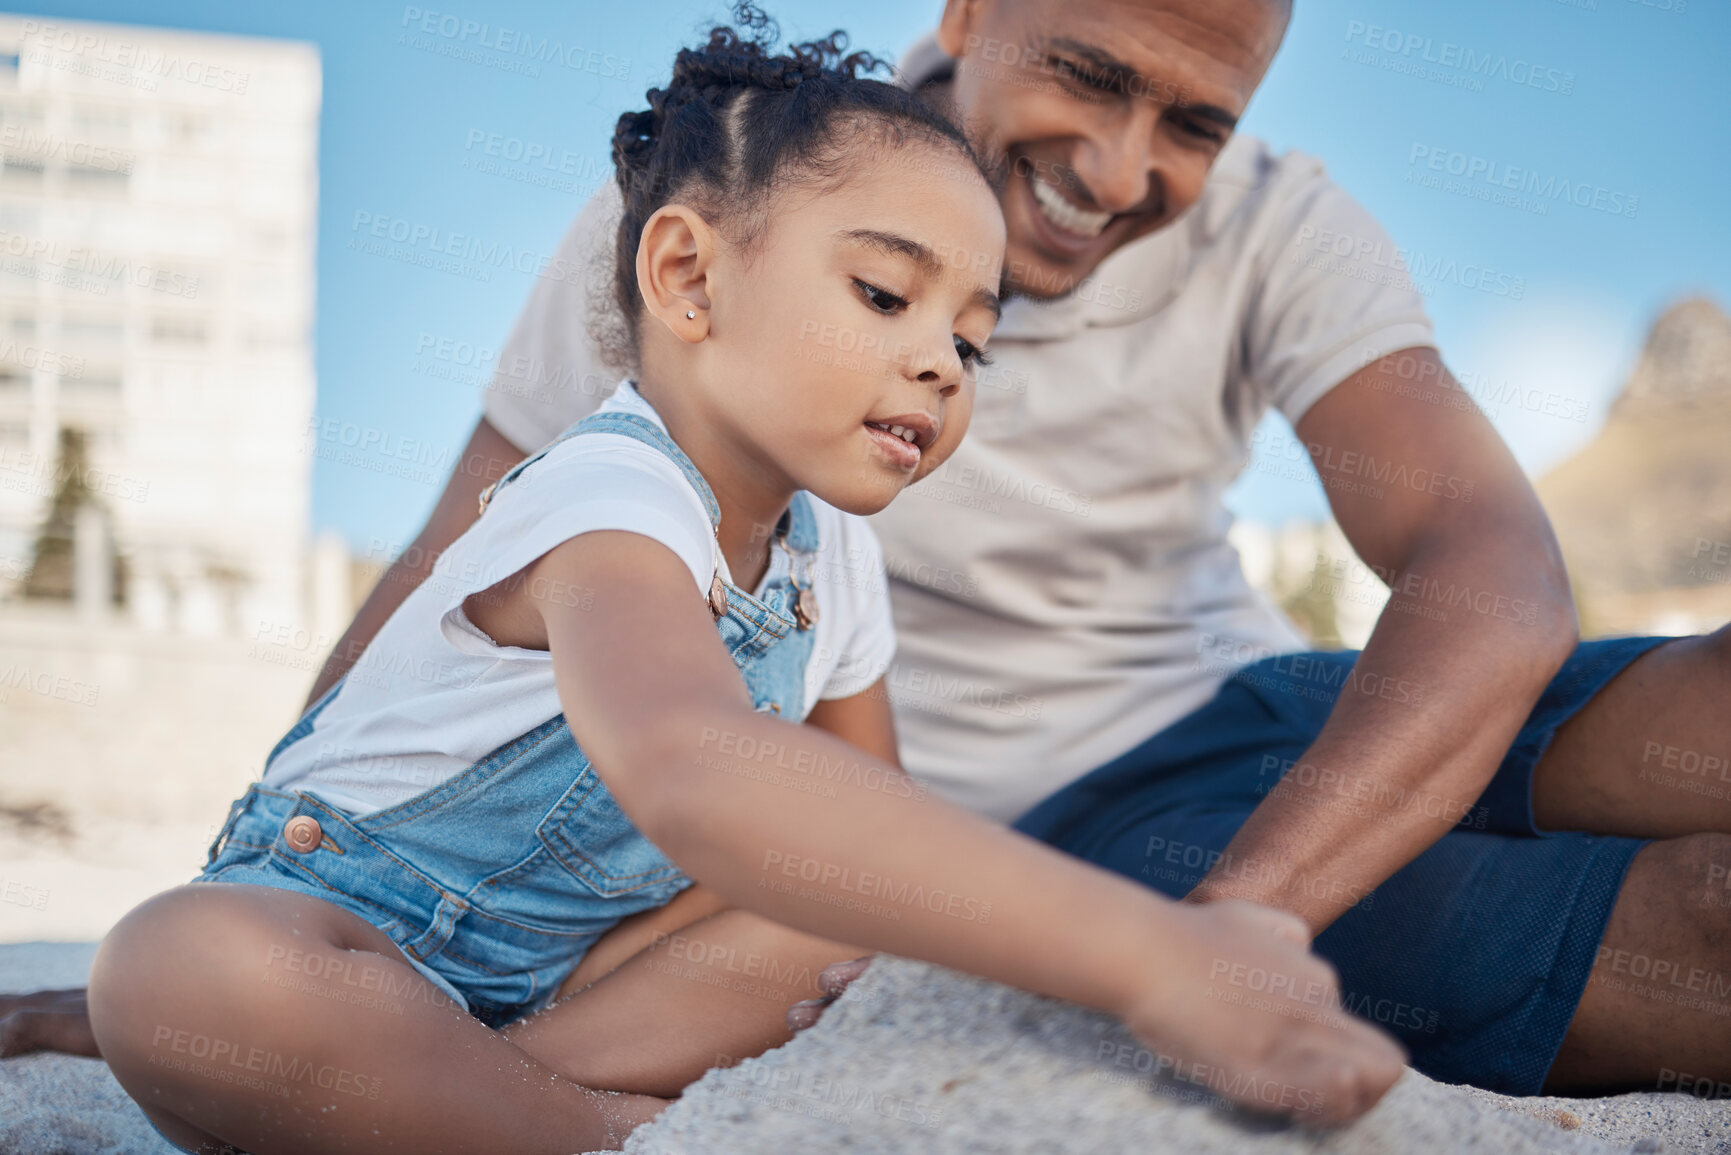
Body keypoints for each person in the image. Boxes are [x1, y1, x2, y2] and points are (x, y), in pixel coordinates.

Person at [9, 0, 1729, 1108]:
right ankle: (542, 1110)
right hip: (1053, 845)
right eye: (890, 300)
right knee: (190, 966)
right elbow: (667, 741)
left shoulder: (851, 545)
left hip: (1227, 748)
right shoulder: (650, 396)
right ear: (679, 284)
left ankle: (516, 1100)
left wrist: (1228, 928)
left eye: (971, 340)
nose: (1125, 168)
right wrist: (1152, 953)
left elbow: (1484, 569)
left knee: (821, 922)